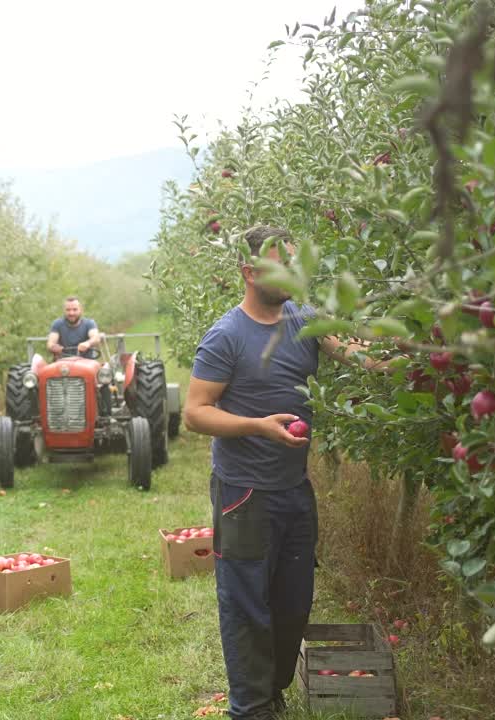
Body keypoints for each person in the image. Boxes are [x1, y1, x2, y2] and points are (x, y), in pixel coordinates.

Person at [184, 225, 389, 720]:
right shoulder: (226, 335)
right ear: (249, 272)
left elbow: (355, 353)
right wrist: (257, 425)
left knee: (294, 601)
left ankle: (272, 689)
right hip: (244, 492)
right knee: (247, 603)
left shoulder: (305, 319)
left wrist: (410, 363)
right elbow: (195, 412)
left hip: (294, 488)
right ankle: (250, 707)